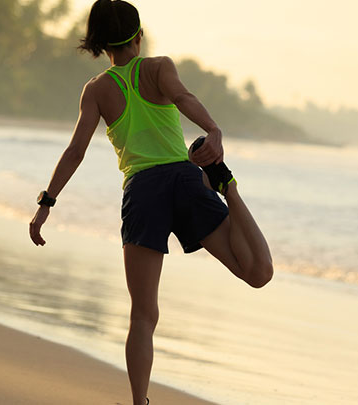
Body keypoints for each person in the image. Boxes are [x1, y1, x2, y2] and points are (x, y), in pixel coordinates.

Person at [28, 1, 273, 404]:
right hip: (187, 180)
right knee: (258, 272)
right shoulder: (159, 67)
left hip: (143, 193)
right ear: (139, 35)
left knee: (143, 315)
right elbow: (183, 97)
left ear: (100, 42)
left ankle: (139, 402)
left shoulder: (97, 90)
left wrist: (46, 203)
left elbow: (76, 151)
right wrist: (212, 129)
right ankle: (227, 186)